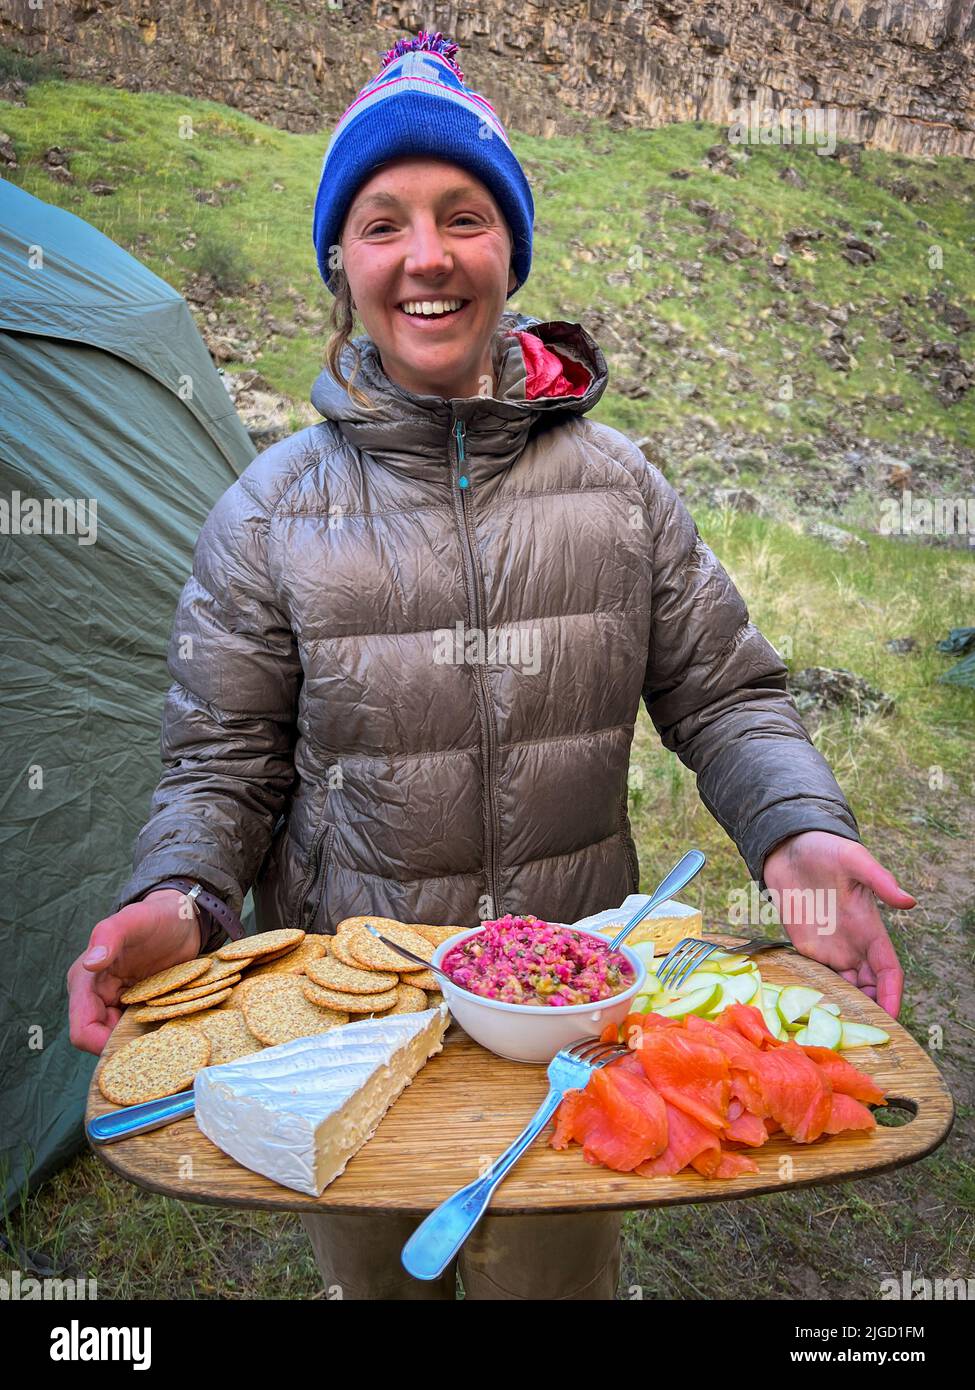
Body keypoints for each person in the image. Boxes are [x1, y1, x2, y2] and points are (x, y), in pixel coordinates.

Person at [67, 30, 915, 1299]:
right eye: (382, 221)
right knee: (383, 1286)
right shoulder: (266, 510)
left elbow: (727, 695)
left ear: (510, 250)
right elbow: (220, 766)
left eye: (464, 215)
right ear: (340, 260)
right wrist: (184, 899)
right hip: (355, 1035)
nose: (426, 256)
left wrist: (796, 834)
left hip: (573, 1028)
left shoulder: (619, 487)